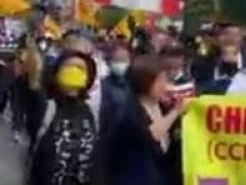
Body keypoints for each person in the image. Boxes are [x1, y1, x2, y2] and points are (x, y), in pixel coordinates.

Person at [105, 55, 186, 184]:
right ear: (144, 82)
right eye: (159, 81)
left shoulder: (162, 106)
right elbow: (150, 135)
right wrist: (175, 111)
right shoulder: (127, 110)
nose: (164, 85)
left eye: (165, 79)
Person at [29, 50, 99, 185]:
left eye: (80, 69)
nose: (74, 72)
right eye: (68, 67)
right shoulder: (46, 106)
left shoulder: (92, 112)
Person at [99, 43, 132, 141]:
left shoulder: (135, 84)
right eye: (117, 60)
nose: (120, 64)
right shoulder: (103, 85)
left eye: (123, 60)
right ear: (109, 62)